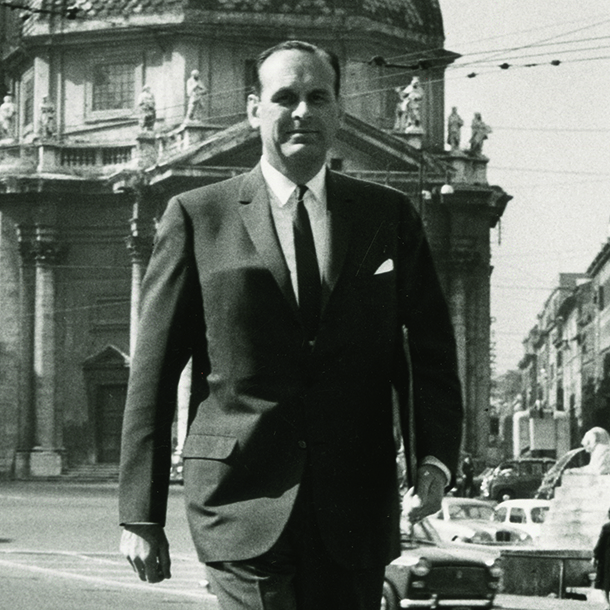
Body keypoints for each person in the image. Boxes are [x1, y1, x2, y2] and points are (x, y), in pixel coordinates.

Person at [119, 40, 463, 610]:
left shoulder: (390, 216)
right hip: (238, 499)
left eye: (317, 97)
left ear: (339, 111)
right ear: (254, 109)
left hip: (356, 501)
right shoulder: (196, 215)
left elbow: (431, 351)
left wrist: (435, 456)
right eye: (284, 98)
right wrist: (139, 512)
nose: (302, 111)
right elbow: (152, 374)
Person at [593, 507, 610, 609]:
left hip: (607, 559)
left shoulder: (607, 527)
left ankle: (608, 604)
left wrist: (595, 556)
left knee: (605, 582)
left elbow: (600, 544)